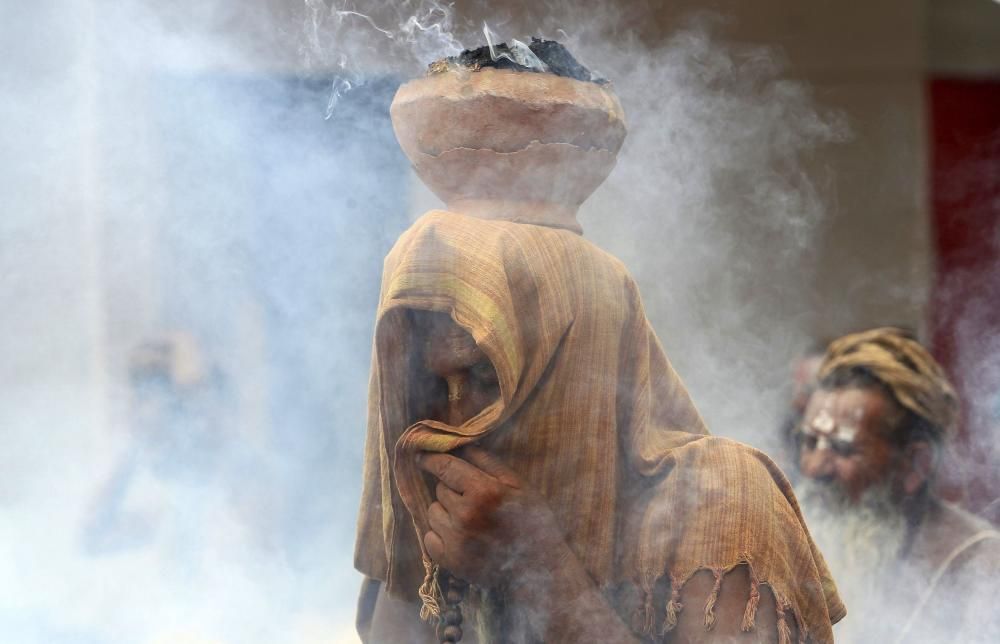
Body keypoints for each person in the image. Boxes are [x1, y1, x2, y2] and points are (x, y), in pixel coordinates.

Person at [354, 211, 843, 643]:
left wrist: (536, 569)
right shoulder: (438, 507)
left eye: (487, 377)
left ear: (577, 363)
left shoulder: (720, 502)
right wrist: (414, 546)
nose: (456, 420)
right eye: (435, 386)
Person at [794, 327, 1000, 642]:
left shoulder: (980, 571)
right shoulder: (798, 544)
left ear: (915, 464)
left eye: (844, 449)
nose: (814, 468)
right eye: (810, 442)